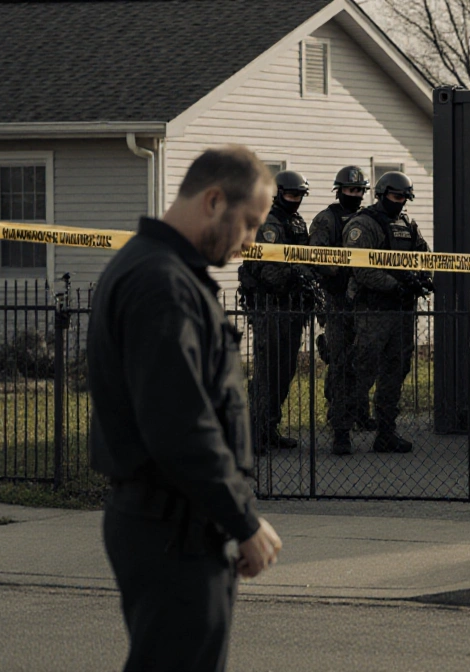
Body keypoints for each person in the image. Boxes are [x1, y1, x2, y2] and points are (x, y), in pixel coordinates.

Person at [88, 145, 283, 672]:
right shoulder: (162, 283)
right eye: (249, 223)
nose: (251, 242)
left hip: (176, 523)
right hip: (172, 529)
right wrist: (243, 522)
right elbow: (181, 424)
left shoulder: (160, 271)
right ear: (214, 200)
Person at [341, 171, 432, 454]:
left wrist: (422, 277)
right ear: (381, 195)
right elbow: (361, 268)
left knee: (395, 370)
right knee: (361, 370)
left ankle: (386, 432)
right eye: (395, 196)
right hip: (374, 310)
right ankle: (342, 430)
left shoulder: (407, 224)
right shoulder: (364, 224)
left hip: (401, 311)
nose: (400, 201)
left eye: (404, 197)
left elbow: (424, 255)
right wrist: (395, 285)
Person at [238, 169, 317, 454]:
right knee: (267, 371)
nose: (296, 200)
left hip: (292, 307)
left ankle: (269, 429)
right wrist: (295, 277)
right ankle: (254, 434)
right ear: (278, 194)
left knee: (285, 370)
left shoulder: (296, 222)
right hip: (270, 306)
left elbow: (306, 259)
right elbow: (269, 270)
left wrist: (306, 279)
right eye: (292, 194)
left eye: (299, 195)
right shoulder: (268, 224)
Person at [308, 165, 374, 455]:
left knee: (365, 360)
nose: (355, 195)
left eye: (359, 190)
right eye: (350, 190)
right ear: (339, 191)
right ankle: (340, 428)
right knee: (340, 363)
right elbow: (316, 257)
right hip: (337, 300)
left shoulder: (367, 218)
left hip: (364, 300)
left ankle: (360, 411)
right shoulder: (327, 219)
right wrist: (338, 277)